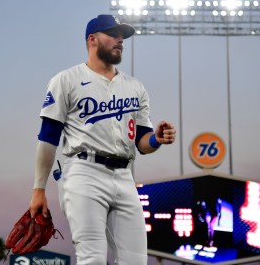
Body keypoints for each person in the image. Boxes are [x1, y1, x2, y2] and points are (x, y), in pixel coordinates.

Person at [28, 14, 176, 264]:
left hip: (125, 176)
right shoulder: (66, 80)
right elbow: (48, 138)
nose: (121, 40)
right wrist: (38, 189)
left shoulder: (135, 87)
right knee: (92, 259)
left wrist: (156, 140)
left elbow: (142, 142)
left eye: (123, 36)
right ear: (92, 39)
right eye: (113, 34)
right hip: (83, 171)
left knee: (135, 261)